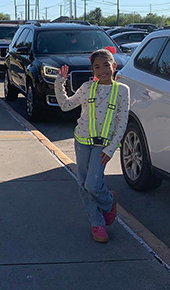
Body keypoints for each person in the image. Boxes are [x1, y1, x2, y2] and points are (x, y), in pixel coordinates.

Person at [54, 49, 129, 243]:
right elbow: (65, 105)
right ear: (92, 70)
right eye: (97, 66)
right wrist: (59, 82)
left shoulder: (122, 91)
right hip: (82, 141)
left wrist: (111, 148)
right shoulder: (87, 88)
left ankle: (108, 201)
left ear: (114, 66)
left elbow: (122, 122)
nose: (102, 70)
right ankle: (97, 222)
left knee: (93, 184)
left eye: (106, 65)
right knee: (83, 184)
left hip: (103, 146)